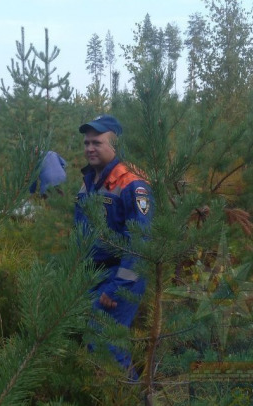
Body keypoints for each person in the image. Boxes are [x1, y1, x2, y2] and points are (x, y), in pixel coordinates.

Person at [74, 114, 153, 379]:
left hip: (121, 276)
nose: (89, 148)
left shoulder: (132, 184)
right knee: (93, 343)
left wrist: (117, 288)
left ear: (115, 145)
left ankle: (129, 396)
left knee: (108, 344)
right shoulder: (88, 181)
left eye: (96, 142)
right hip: (93, 275)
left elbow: (140, 242)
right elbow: (81, 233)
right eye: (86, 143)